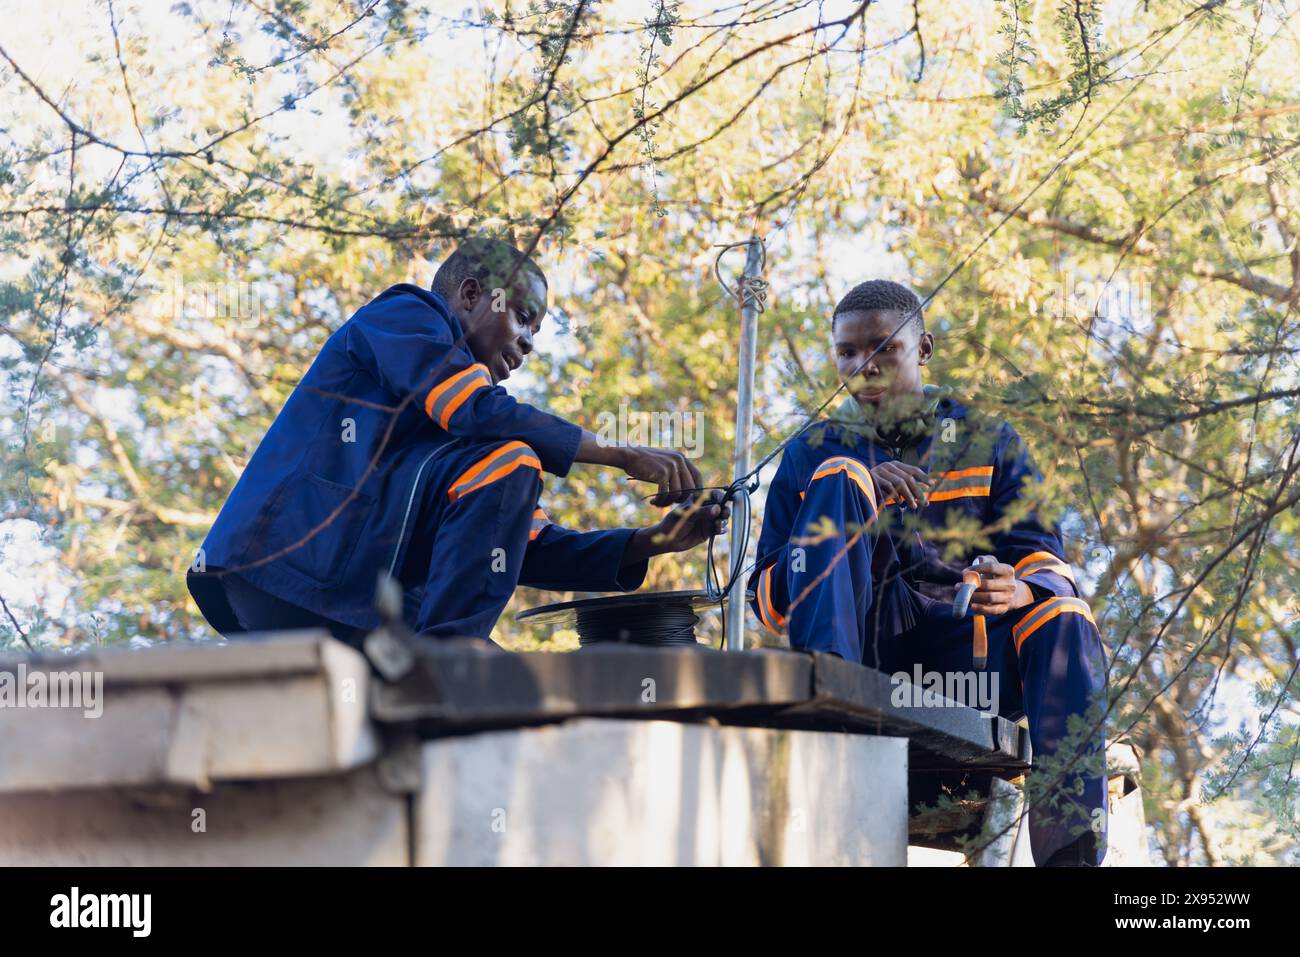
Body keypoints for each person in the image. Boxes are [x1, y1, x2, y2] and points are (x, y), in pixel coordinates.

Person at [188, 236, 726, 648]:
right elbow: (473, 408)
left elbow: (522, 543)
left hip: (352, 609)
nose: (528, 343)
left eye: (536, 333)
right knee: (513, 456)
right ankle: (451, 657)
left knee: (508, 466)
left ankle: (445, 661)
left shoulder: (474, 446)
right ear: (472, 294)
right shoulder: (407, 315)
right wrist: (620, 452)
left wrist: (655, 540)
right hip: (288, 575)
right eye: (523, 317)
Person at [747, 279, 1108, 866]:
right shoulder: (812, 451)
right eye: (846, 352)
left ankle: (1071, 860)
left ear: (923, 348)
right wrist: (855, 495)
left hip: (969, 665)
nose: (864, 366)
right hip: (864, 662)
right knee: (842, 476)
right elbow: (767, 602)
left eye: (883, 348)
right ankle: (830, 722)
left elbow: (1045, 561)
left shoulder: (987, 439)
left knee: (1064, 613)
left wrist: (1016, 588)